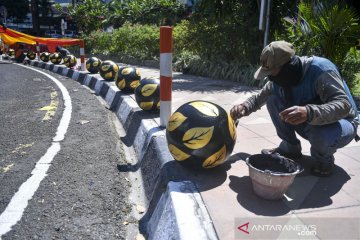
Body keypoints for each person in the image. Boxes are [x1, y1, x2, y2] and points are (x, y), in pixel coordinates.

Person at [230, 40, 359, 177]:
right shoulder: (280, 79)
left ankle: (323, 159)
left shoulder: (321, 70)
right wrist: (243, 107)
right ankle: (290, 147)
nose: (270, 78)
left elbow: (344, 106)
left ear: (288, 68)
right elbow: (258, 98)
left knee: (321, 134)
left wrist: (309, 112)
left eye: (271, 73)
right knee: (273, 100)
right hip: (311, 122)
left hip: (342, 124)